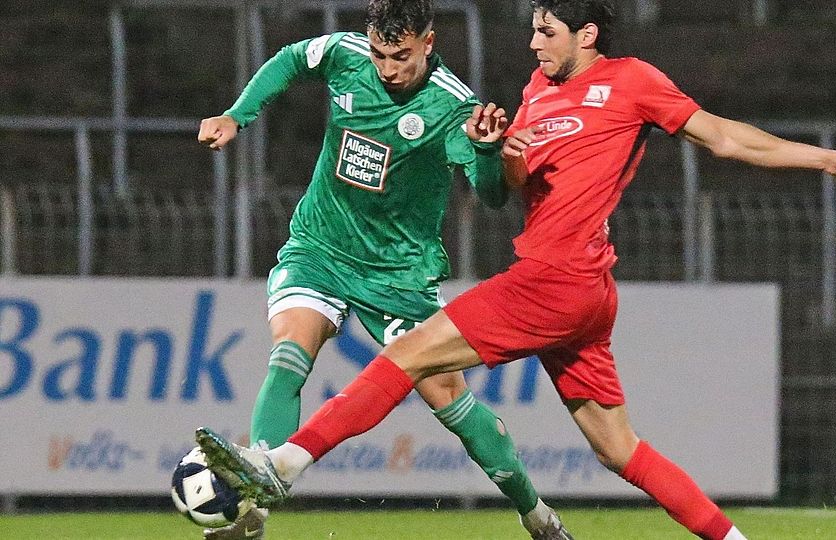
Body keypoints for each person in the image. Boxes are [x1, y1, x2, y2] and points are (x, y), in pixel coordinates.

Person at [195, 0, 836, 539]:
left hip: (553, 282)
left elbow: (727, 138)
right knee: (619, 450)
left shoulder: (632, 81)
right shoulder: (534, 92)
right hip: (583, 294)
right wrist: (495, 149)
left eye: (547, 30)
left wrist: (827, 159)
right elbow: (513, 186)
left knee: (405, 356)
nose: (533, 42)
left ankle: (282, 465)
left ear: (587, 34)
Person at [195, 1, 571, 539]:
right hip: (320, 247)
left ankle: (535, 512)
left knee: (451, 402)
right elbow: (291, 59)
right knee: (289, 352)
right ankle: (254, 502)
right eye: (379, 54)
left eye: (401, 56)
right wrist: (238, 114)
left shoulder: (451, 105)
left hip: (399, 276)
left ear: (428, 42)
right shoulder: (347, 55)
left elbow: (490, 196)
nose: (387, 68)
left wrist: (488, 153)